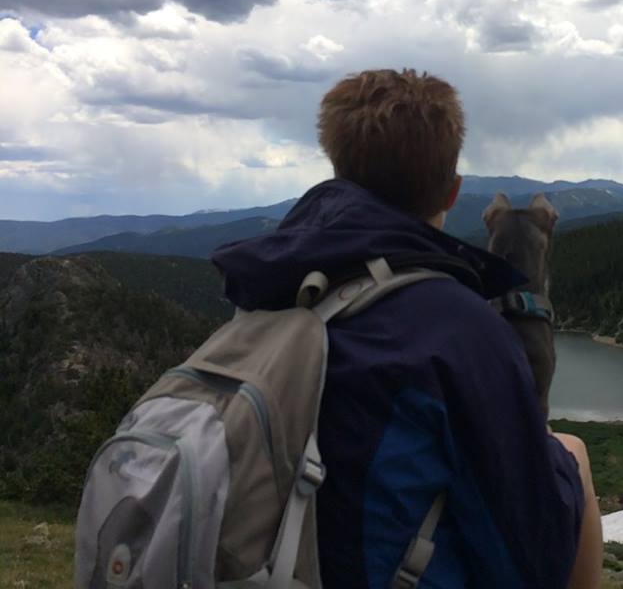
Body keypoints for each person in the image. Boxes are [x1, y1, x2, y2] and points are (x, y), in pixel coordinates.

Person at [212, 69, 602, 588]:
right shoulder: (458, 326)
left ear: (336, 168)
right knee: (570, 453)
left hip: (262, 558)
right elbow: (532, 552)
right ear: (451, 192)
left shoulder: (261, 289)